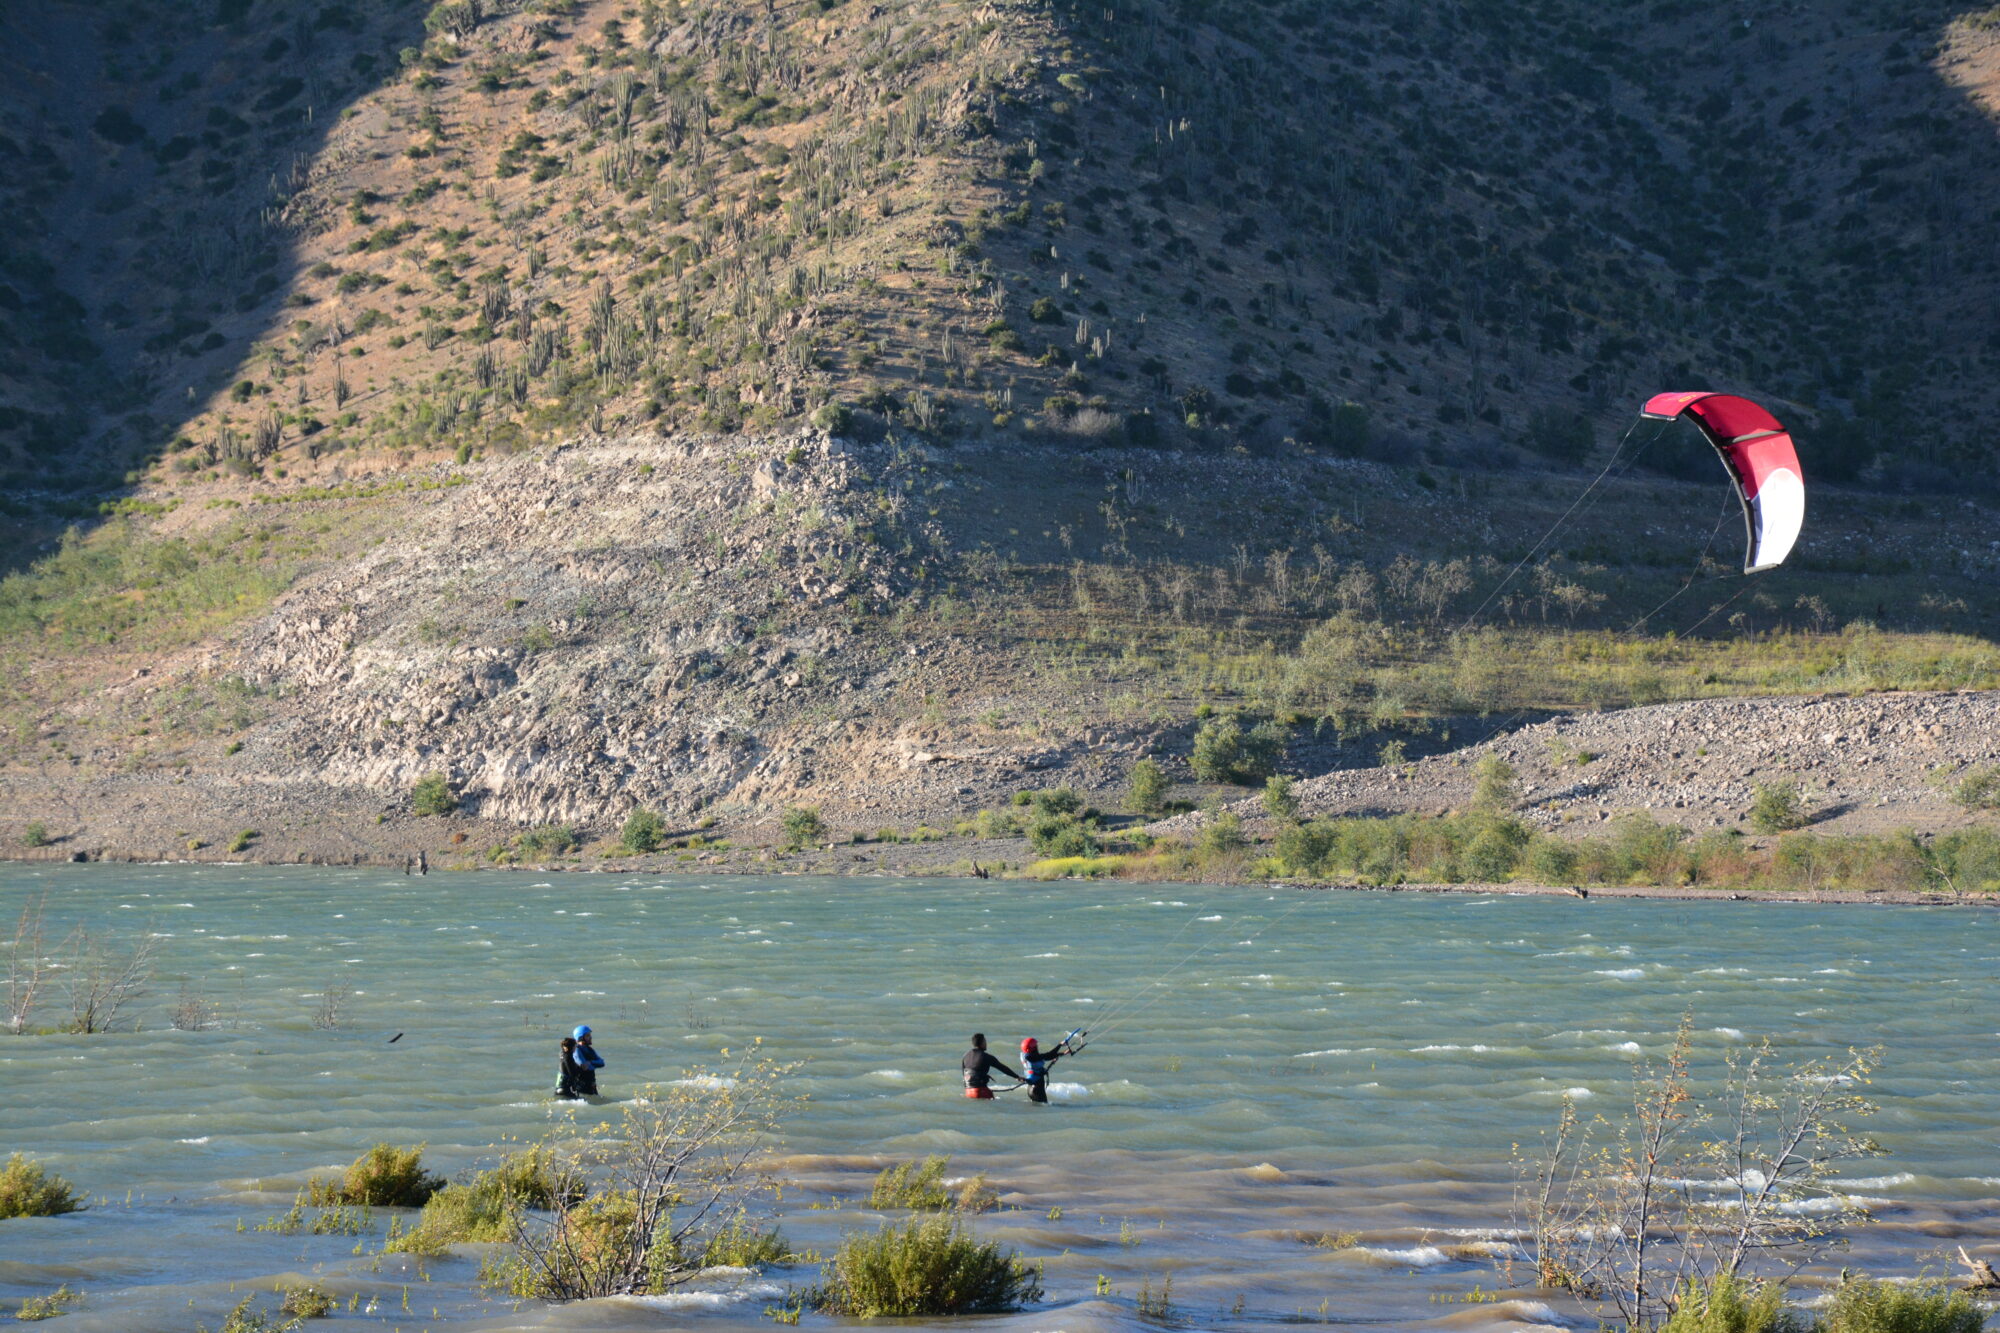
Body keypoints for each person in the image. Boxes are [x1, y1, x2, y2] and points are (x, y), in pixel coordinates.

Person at [961, 1033, 1020, 1100]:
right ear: (982, 1043)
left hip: (968, 1092)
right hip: (980, 1091)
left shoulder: (965, 1056)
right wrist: (1017, 1077)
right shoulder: (986, 1057)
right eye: (985, 1041)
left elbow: (965, 1074)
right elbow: (1003, 1068)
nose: (986, 1043)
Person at [1019, 1035, 1073, 1104]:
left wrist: (1063, 1053)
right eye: (1036, 1046)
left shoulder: (1027, 1055)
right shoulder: (1031, 1057)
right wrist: (1060, 1045)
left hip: (1031, 1089)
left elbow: (1046, 1057)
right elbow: (1048, 1055)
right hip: (1037, 1090)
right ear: (1032, 1049)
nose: (1037, 1047)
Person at [570, 1024, 605, 1096]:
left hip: (591, 1085)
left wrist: (590, 1062)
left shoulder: (590, 1050)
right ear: (580, 1038)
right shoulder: (576, 1050)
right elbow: (584, 1066)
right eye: (587, 1036)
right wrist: (593, 1064)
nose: (590, 1037)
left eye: (590, 1035)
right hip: (580, 1086)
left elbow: (602, 1063)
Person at [556, 1036, 584, 1100]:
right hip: (565, 1090)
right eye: (575, 1046)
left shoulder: (562, 1054)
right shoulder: (568, 1057)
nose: (576, 1048)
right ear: (571, 1047)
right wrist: (581, 1068)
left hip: (559, 1088)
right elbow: (572, 1074)